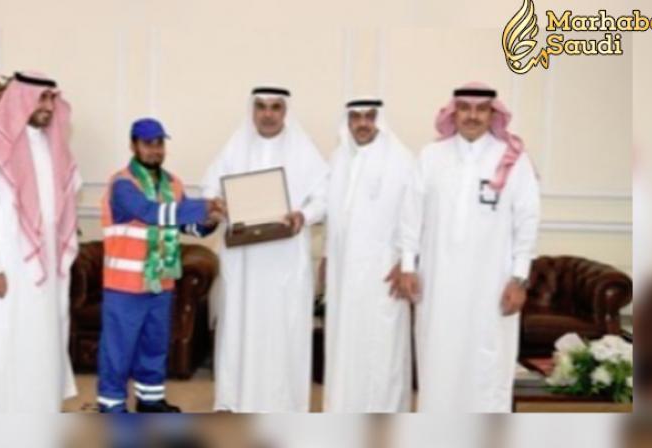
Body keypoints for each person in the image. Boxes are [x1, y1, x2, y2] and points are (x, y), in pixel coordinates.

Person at [398, 82, 541, 412]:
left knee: (488, 363)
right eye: (465, 108)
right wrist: (408, 265)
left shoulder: (513, 159)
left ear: (493, 114)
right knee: (438, 358)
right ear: (454, 111)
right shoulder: (431, 156)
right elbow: (411, 215)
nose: (472, 116)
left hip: (491, 284)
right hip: (438, 283)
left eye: (481, 109)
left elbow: (527, 221)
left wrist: (519, 278)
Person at [202, 86, 328, 412]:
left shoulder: (304, 150)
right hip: (244, 259)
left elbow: (324, 197)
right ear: (253, 110)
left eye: (275, 107)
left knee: (284, 329)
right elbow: (209, 187)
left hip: (285, 259)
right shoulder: (235, 146)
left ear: (285, 112)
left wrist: (305, 215)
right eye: (261, 107)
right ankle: (235, 401)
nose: (268, 114)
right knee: (241, 326)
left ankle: (282, 403)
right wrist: (219, 204)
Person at [0, 71, 81, 412]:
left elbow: (62, 207)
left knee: (45, 338)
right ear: (20, 100)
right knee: (8, 336)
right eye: (40, 98)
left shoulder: (54, 146)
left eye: (51, 99)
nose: (47, 106)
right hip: (9, 265)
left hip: (47, 264)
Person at [98, 118, 224, 413]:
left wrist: (208, 222)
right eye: (148, 144)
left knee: (154, 347)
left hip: (161, 281)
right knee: (118, 351)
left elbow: (185, 225)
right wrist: (204, 205)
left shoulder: (173, 184)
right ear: (133, 145)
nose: (155, 151)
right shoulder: (122, 185)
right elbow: (150, 212)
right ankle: (112, 407)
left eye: (159, 144)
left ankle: (150, 400)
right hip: (125, 286)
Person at [323, 98, 415, 412]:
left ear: (380, 120)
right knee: (344, 344)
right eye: (355, 117)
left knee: (382, 348)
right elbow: (332, 215)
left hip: (383, 271)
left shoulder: (401, 159)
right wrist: (325, 256)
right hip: (343, 272)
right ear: (347, 121)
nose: (362, 123)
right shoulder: (338, 158)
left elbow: (413, 216)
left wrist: (406, 262)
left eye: (369, 116)